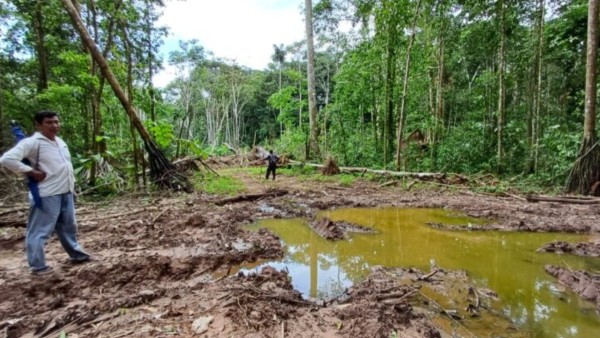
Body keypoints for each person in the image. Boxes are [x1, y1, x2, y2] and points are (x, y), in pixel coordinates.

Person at [0, 111, 91, 275]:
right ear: (39, 125)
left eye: (56, 122)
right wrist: (31, 171)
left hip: (65, 190)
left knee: (68, 227)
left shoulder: (60, 141)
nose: (54, 125)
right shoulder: (33, 143)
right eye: (49, 122)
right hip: (46, 193)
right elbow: (7, 159)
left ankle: (77, 255)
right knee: (40, 231)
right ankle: (37, 265)